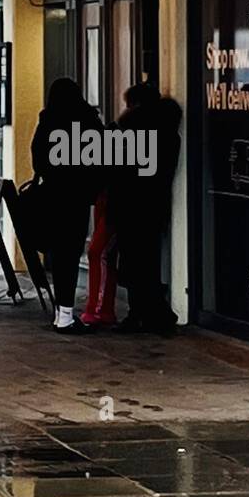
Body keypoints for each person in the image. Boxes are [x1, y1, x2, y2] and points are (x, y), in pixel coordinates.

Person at [30, 77, 103, 334]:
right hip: (77, 198)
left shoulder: (47, 121)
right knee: (71, 255)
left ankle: (62, 314)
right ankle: (66, 314)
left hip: (53, 196)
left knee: (59, 255)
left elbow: (38, 159)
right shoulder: (87, 119)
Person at [110, 90, 182, 335]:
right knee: (147, 263)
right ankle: (150, 313)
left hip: (131, 205)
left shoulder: (134, 134)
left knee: (134, 264)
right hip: (155, 205)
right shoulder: (170, 135)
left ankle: (150, 314)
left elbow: (120, 170)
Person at [82, 83, 153, 327]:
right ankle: (103, 308)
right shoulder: (136, 135)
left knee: (100, 253)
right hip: (123, 203)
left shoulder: (130, 135)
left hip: (120, 203)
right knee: (108, 254)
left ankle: (100, 308)